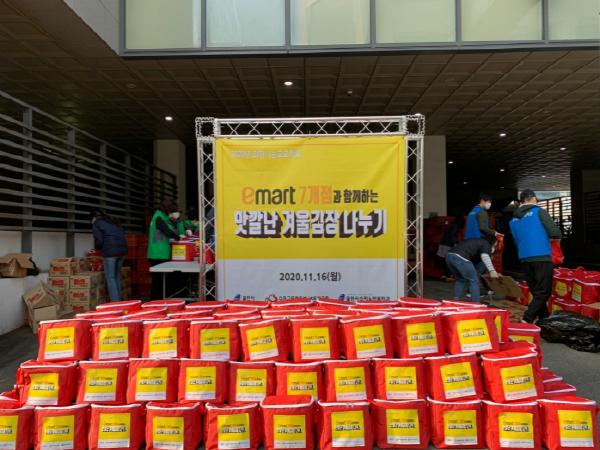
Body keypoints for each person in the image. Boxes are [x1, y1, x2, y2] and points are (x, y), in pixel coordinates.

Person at [510, 189, 562, 323]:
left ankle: (545, 319)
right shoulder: (539, 212)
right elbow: (555, 232)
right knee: (544, 292)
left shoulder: (513, 220)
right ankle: (527, 318)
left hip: (524, 258)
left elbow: (516, 240)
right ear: (533, 198)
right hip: (541, 255)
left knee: (536, 291)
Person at [147, 198, 184, 299]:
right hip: (157, 253)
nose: (172, 213)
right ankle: (154, 302)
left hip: (160, 253)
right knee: (158, 282)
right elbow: (166, 230)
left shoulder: (162, 217)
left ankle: (158, 301)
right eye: (171, 211)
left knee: (160, 282)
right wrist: (178, 237)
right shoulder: (159, 217)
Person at [446, 235, 500, 302]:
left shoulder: (475, 241)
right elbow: (485, 256)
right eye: (495, 245)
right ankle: (476, 303)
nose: (494, 247)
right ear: (492, 242)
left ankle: (456, 300)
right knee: (474, 280)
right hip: (460, 257)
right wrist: (492, 271)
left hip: (449, 256)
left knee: (460, 279)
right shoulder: (486, 244)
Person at [90, 209, 127, 301]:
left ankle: (115, 303)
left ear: (93, 218)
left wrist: (97, 248)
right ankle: (119, 301)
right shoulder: (112, 220)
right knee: (116, 276)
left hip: (111, 253)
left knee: (110, 278)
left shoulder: (97, 223)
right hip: (122, 251)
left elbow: (99, 240)